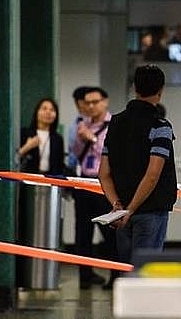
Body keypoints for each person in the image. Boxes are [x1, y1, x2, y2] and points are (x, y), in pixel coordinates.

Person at [99, 64, 178, 267]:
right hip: (150, 211)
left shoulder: (115, 123)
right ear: (161, 91)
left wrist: (118, 206)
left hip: (120, 213)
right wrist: (132, 209)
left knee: (126, 271)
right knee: (145, 273)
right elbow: (152, 175)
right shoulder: (160, 126)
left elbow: (104, 174)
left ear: (135, 88)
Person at [70, 86, 118, 290]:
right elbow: (75, 152)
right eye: (87, 103)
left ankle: (115, 275)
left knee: (110, 233)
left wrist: (93, 139)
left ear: (105, 101)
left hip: (104, 186)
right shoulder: (81, 125)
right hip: (83, 183)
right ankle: (85, 275)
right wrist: (82, 140)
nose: (90, 106)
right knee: (82, 233)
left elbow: (113, 152)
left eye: (95, 102)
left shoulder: (114, 124)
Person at [18, 98, 64, 174]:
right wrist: (28, 146)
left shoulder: (57, 138)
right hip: (29, 179)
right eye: (44, 108)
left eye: (52, 110)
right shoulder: (25, 133)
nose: (48, 112)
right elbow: (15, 158)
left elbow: (59, 165)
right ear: (37, 112)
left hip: (50, 180)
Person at [67, 86, 91, 175]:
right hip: (77, 171)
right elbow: (72, 153)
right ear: (81, 103)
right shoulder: (74, 126)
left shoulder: (102, 123)